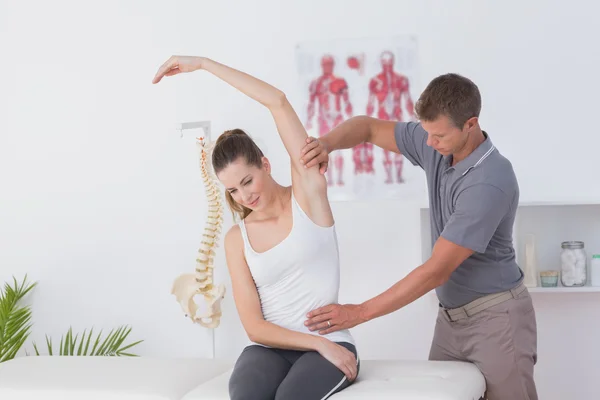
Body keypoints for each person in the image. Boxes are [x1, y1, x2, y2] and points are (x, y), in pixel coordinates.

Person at [299, 73, 538, 400]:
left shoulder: (488, 181)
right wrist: (326, 143)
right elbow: (367, 127)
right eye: (425, 132)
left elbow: (436, 270)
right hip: (451, 320)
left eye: (437, 135)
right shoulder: (438, 143)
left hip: (496, 321)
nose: (428, 143)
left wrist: (359, 312)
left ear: (470, 124)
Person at [152, 55, 360, 400]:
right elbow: (254, 326)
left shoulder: (308, 197)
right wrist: (314, 343)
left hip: (331, 342)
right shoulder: (237, 239)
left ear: (265, 163)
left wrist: (203, 65)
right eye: (233, 190)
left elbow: (277, 101)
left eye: (248, 181)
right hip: (271, 348)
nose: (244, 195)